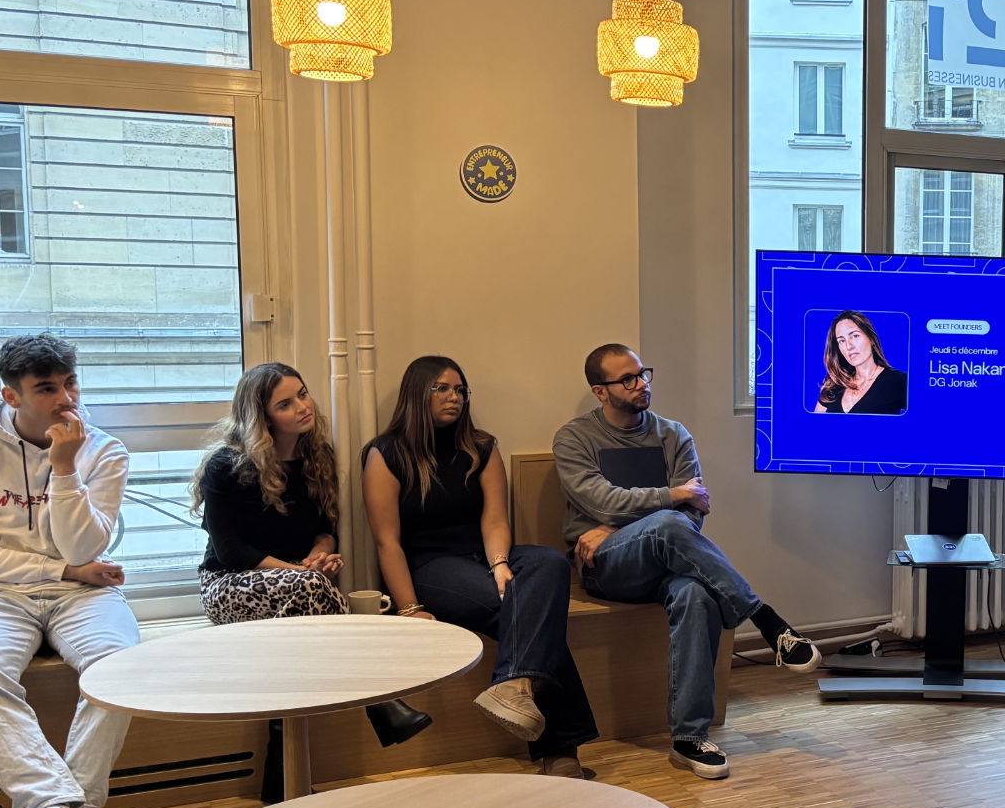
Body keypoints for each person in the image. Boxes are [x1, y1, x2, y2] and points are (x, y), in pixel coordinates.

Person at [556, 344, 822, 780]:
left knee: (696, 594)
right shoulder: (574, 438)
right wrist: (671, 497)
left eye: (643, 373)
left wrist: (614, 523)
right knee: (667, 523)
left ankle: (688, 738)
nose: (641, 384)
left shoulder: (673, 434)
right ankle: (767, 621)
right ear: (600, 391)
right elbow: (601, 498)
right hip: (606, 565)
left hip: (667, 560)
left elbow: (692, 516)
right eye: (627, 379)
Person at [194, 362, 430, 800]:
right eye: (285, 404)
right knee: (310, 590)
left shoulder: (315, 455)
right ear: (263, 417)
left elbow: (325, 528)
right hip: (227, 585)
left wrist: (319, 554)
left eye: (302, 394)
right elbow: (231, 552)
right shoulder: (226, 466)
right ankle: (378, 700)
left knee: (292, 646)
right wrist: (299, 572)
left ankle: (280, 783)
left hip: (293, 586)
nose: (303, 406)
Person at [364, 355, 598, 779]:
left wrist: (501, 563)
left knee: (548, 561)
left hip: (485, 555)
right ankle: (561, 748)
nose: (454, 397)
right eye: (442, 388)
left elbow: (494, 520)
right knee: (527, 611)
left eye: (460, 390)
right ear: (417, 393)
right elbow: (387, 541)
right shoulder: (386, 453)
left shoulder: (481, 447)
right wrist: (410, 608)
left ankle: (514, 683)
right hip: (429, 565)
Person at [0, 334, 138, 808]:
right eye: (47, 389)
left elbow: (83, 546)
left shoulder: (104, 450)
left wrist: (65, 467)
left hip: (85, 596)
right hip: (3, 593)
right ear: (11, 395)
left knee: (121, 667)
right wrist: (64, 571)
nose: (66, 399)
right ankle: (51, 802)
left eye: (70, 383)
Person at [815, 310, 908, 414]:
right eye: (842, 340)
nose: (848, 346)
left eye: (855, 336)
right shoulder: (835, 384)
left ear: (871, 338)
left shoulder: (898, 381)